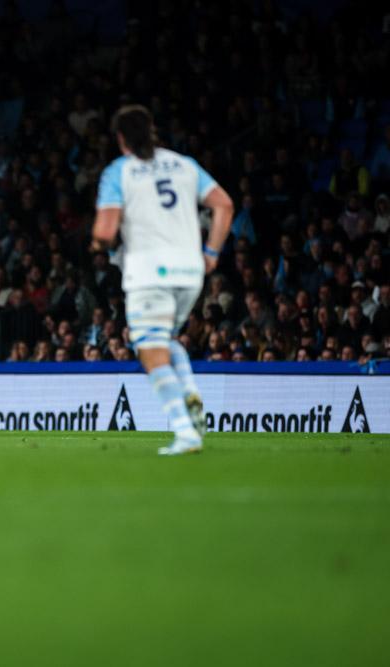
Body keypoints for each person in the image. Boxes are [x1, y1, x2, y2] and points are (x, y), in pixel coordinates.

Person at [92, 105, 233, 455]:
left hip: (150, 273)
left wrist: (98, 240)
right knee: (163, 339)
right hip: (190, 272)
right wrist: (211, 253)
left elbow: (106, 232)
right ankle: (190, 394)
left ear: (121, 138)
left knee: (150, 350)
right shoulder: (185, 164)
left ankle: (186, 431)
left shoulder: (119, 171)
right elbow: (224, 205)